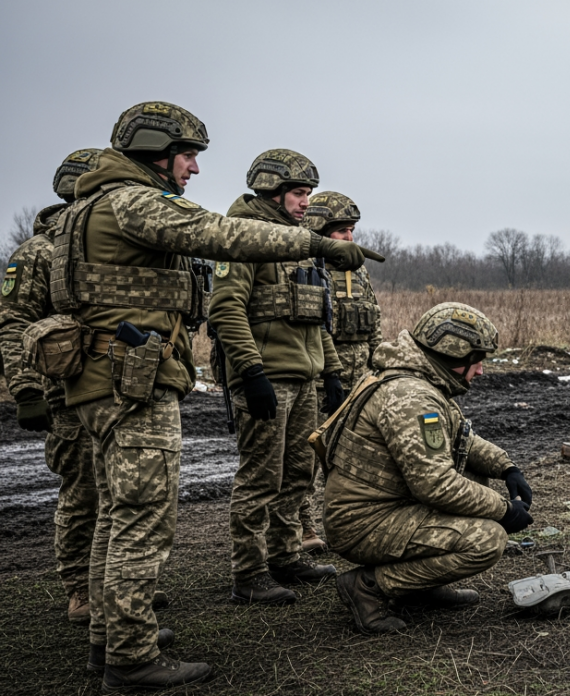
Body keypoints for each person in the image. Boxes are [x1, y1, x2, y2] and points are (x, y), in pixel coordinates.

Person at [54, 101, 377, 691]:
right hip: (131, 381)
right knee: (141, 520)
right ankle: (131, 657)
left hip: (109, 375)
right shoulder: (130, 200)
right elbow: (218, 233)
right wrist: (316, 246)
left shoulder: (91, 206)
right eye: (187, 156)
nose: (194, 170)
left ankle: (111, 638)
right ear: (155, 149)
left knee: (116, 515)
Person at [320, 302, 534, 634]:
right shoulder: (412, 398)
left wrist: (506, 467)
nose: (480, 371)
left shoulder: (419, 378)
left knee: (476, 481)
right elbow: (436, 484)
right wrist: (504, 510)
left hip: (383, 509)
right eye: (476, 361)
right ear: (453, 354)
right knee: (487, 539)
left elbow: (460, 439)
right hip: (362, 523)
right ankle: (369, 587)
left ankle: (417, 586)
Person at [209, 150, 342, 606]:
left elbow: (315, 316)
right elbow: (226, 310)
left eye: (309, 193)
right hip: (267, 377)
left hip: (304, 377)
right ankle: (248, 573)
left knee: (298, 473)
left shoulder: (297, 242)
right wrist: (250, 372)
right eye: (299, 193)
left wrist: (331, 373)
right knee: (260, 477)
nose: (307, 203)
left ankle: (286, 557)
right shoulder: (243, 239)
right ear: (272, 192)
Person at [0, 149, 101, 624]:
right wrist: (24, 389)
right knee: (82, 492)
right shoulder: (38, 252)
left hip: (108, 388)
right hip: (62, 394)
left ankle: (111, 586)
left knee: (119, 491)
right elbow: (13, 321)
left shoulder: (101, 244)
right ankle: (81, 591)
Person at [299, 191, 382, 552]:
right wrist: (329, 373)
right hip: (320, 379)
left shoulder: (358, 270)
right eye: (341, 231)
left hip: (359, 378)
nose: (349, 238)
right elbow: (312, 327)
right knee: (306, 460)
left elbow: (374, 322)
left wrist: (380, 366)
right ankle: (302, 526)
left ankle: (351, 523)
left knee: (355, 457)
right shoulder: (308, 269)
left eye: (351, 230)